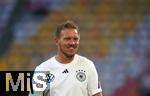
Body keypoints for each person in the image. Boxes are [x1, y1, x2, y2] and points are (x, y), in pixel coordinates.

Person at [30, 20, 103, 96]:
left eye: (75, 39)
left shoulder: (88, 65)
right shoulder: (42, 70)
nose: (72, 43)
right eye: (67, 39)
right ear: (57, 41)